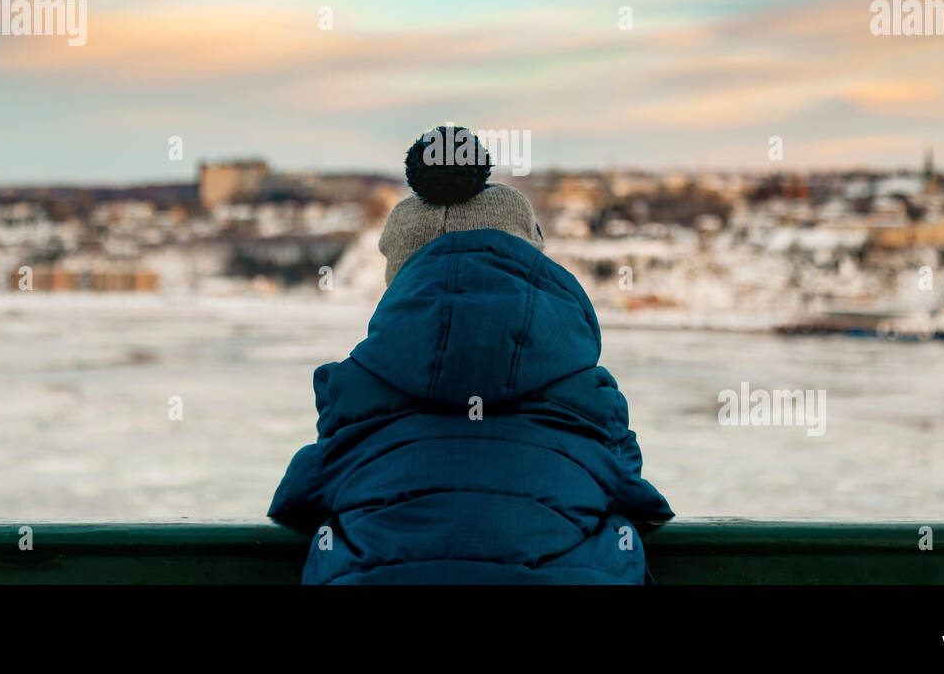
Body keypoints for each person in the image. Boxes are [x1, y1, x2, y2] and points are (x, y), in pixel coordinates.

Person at [268, 126, 673, 583]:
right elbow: (641, 499)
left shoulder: (356, 393)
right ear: (533, 261)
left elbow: (296, 499)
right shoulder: (585, 394)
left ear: (398, 283)